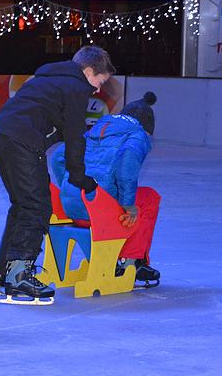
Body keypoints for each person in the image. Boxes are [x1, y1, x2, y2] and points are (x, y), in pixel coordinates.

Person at [0, 46, 114, 305]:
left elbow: (52, 122)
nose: (99, 90)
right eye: (100, 81)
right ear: (88, 72)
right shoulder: (76, 87)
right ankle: (19, 275)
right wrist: (80, 178)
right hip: (22, 140)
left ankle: (6, 272)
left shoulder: (47, 79)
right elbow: (75, 139)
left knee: (22, 205)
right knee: (36, 206)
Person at [51, 91, 161, 287]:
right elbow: (125, 170)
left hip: (72, 209)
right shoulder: (136, 134)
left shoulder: (95, 129)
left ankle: (126, 258)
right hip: (97, 214)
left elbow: (58, 158)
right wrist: (128, 206)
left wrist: (70, 188)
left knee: (136, 198)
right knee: (148, 198)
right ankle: (131, 262)